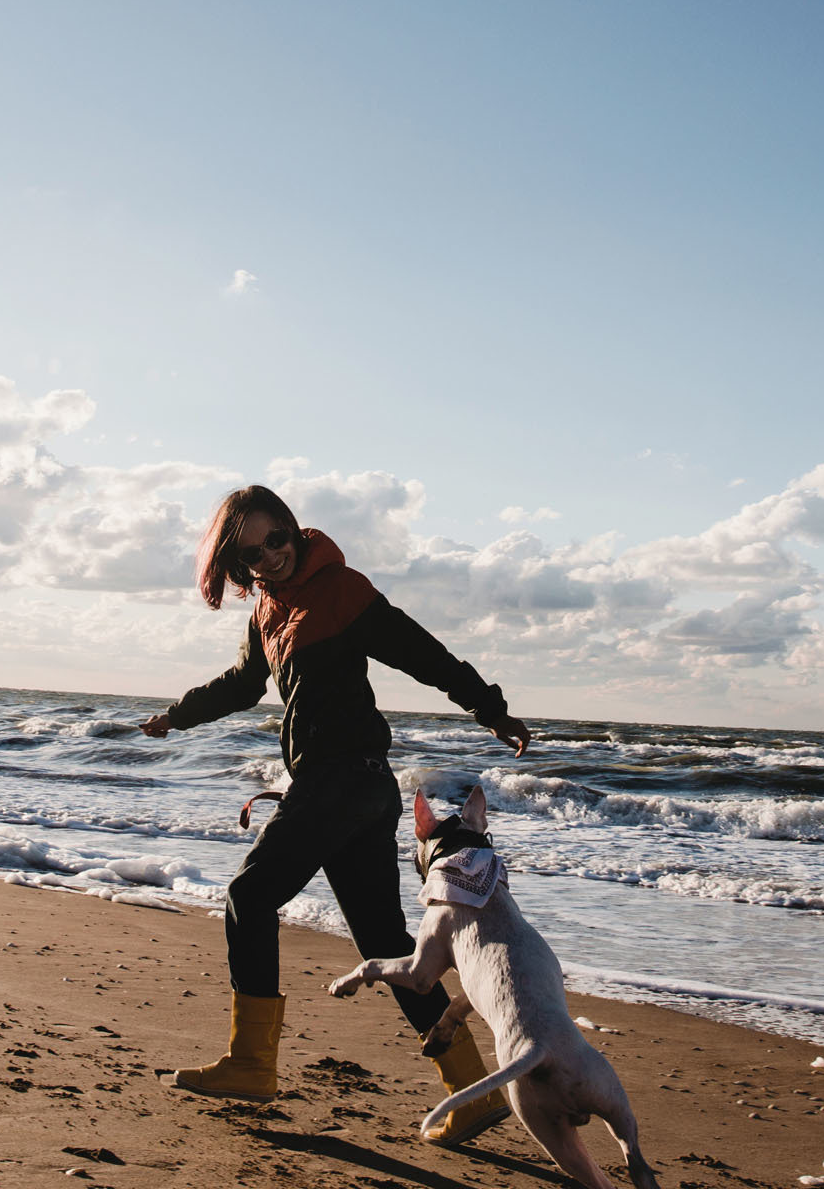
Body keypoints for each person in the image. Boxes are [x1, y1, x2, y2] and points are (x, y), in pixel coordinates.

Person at [138, 484, 531, 1146]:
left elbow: (422, 653)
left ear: (293, 530)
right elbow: (243, 683)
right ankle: (469, 1091)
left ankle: (252, 1064)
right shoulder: (267, 606)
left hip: (343, 780)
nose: (271, 556)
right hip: (358, 790)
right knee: (384, 946)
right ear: (239, 566)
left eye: (276, 539)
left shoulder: (342, 589)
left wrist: (489, 709)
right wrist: (178, 715)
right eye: (252, 553)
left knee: (247, 898)